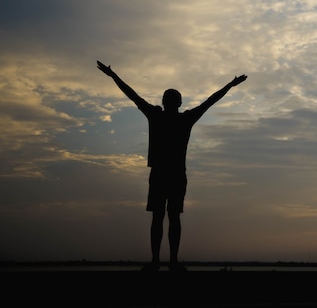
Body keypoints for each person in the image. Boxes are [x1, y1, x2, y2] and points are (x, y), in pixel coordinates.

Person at [97, 60, 247, 272]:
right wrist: (230, 85)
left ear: (168, 102)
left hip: (166, 173)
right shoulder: (175, 118)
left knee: (164, 216)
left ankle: (163, 261)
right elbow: (209, 101)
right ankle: (165, 261)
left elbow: (133, 95)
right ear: (178, 102)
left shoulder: (162, 116)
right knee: (167, 216)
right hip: (169, 173)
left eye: (169, 99)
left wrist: (230, 85)